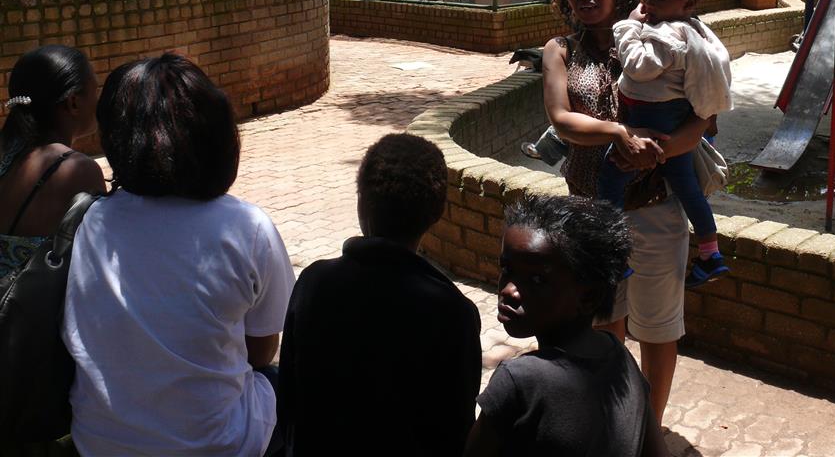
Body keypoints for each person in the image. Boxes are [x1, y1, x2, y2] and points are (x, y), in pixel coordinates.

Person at [62, 54, 294, 457]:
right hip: (221, 445)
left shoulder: (92, 220)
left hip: (99, 442)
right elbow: (261, 350)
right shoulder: (247, 226)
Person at [541, 0, 712, 424]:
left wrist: (656, 152)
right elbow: (562, 119)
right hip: (591, 214)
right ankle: (612, 426)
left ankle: (648, 432)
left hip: (656, 208)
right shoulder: (560, 50)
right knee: (603, 325)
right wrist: (619, 133)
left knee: (658, 329)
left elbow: (704, 116)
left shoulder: (667, 38)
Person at [278, 133, 482, 457]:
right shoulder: (454, 312)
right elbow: (455, 427)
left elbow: (289, 399)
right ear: (437, 213)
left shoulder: (314, 283)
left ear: (361, 204)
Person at [463, 194, 668, 457]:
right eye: (507, 269)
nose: (509, 290)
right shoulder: (620, 356)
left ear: (588, 297)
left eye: (537, 279)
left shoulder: (519, 381)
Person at [597, 0, 732, 288]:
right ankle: (711, 254)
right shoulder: (694, 29)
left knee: (611, 174)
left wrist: (628, 26)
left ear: (689, 3)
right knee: (686, 186)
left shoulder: (669, 35)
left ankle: (614, 252)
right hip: (673, 118)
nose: (647, 4)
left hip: (653, 116)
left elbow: (639, 67)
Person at [0, 45, 104, 282]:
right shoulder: (77, 170)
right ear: (73, 102)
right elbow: (97, 263)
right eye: (95, 91)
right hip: (31, 305)